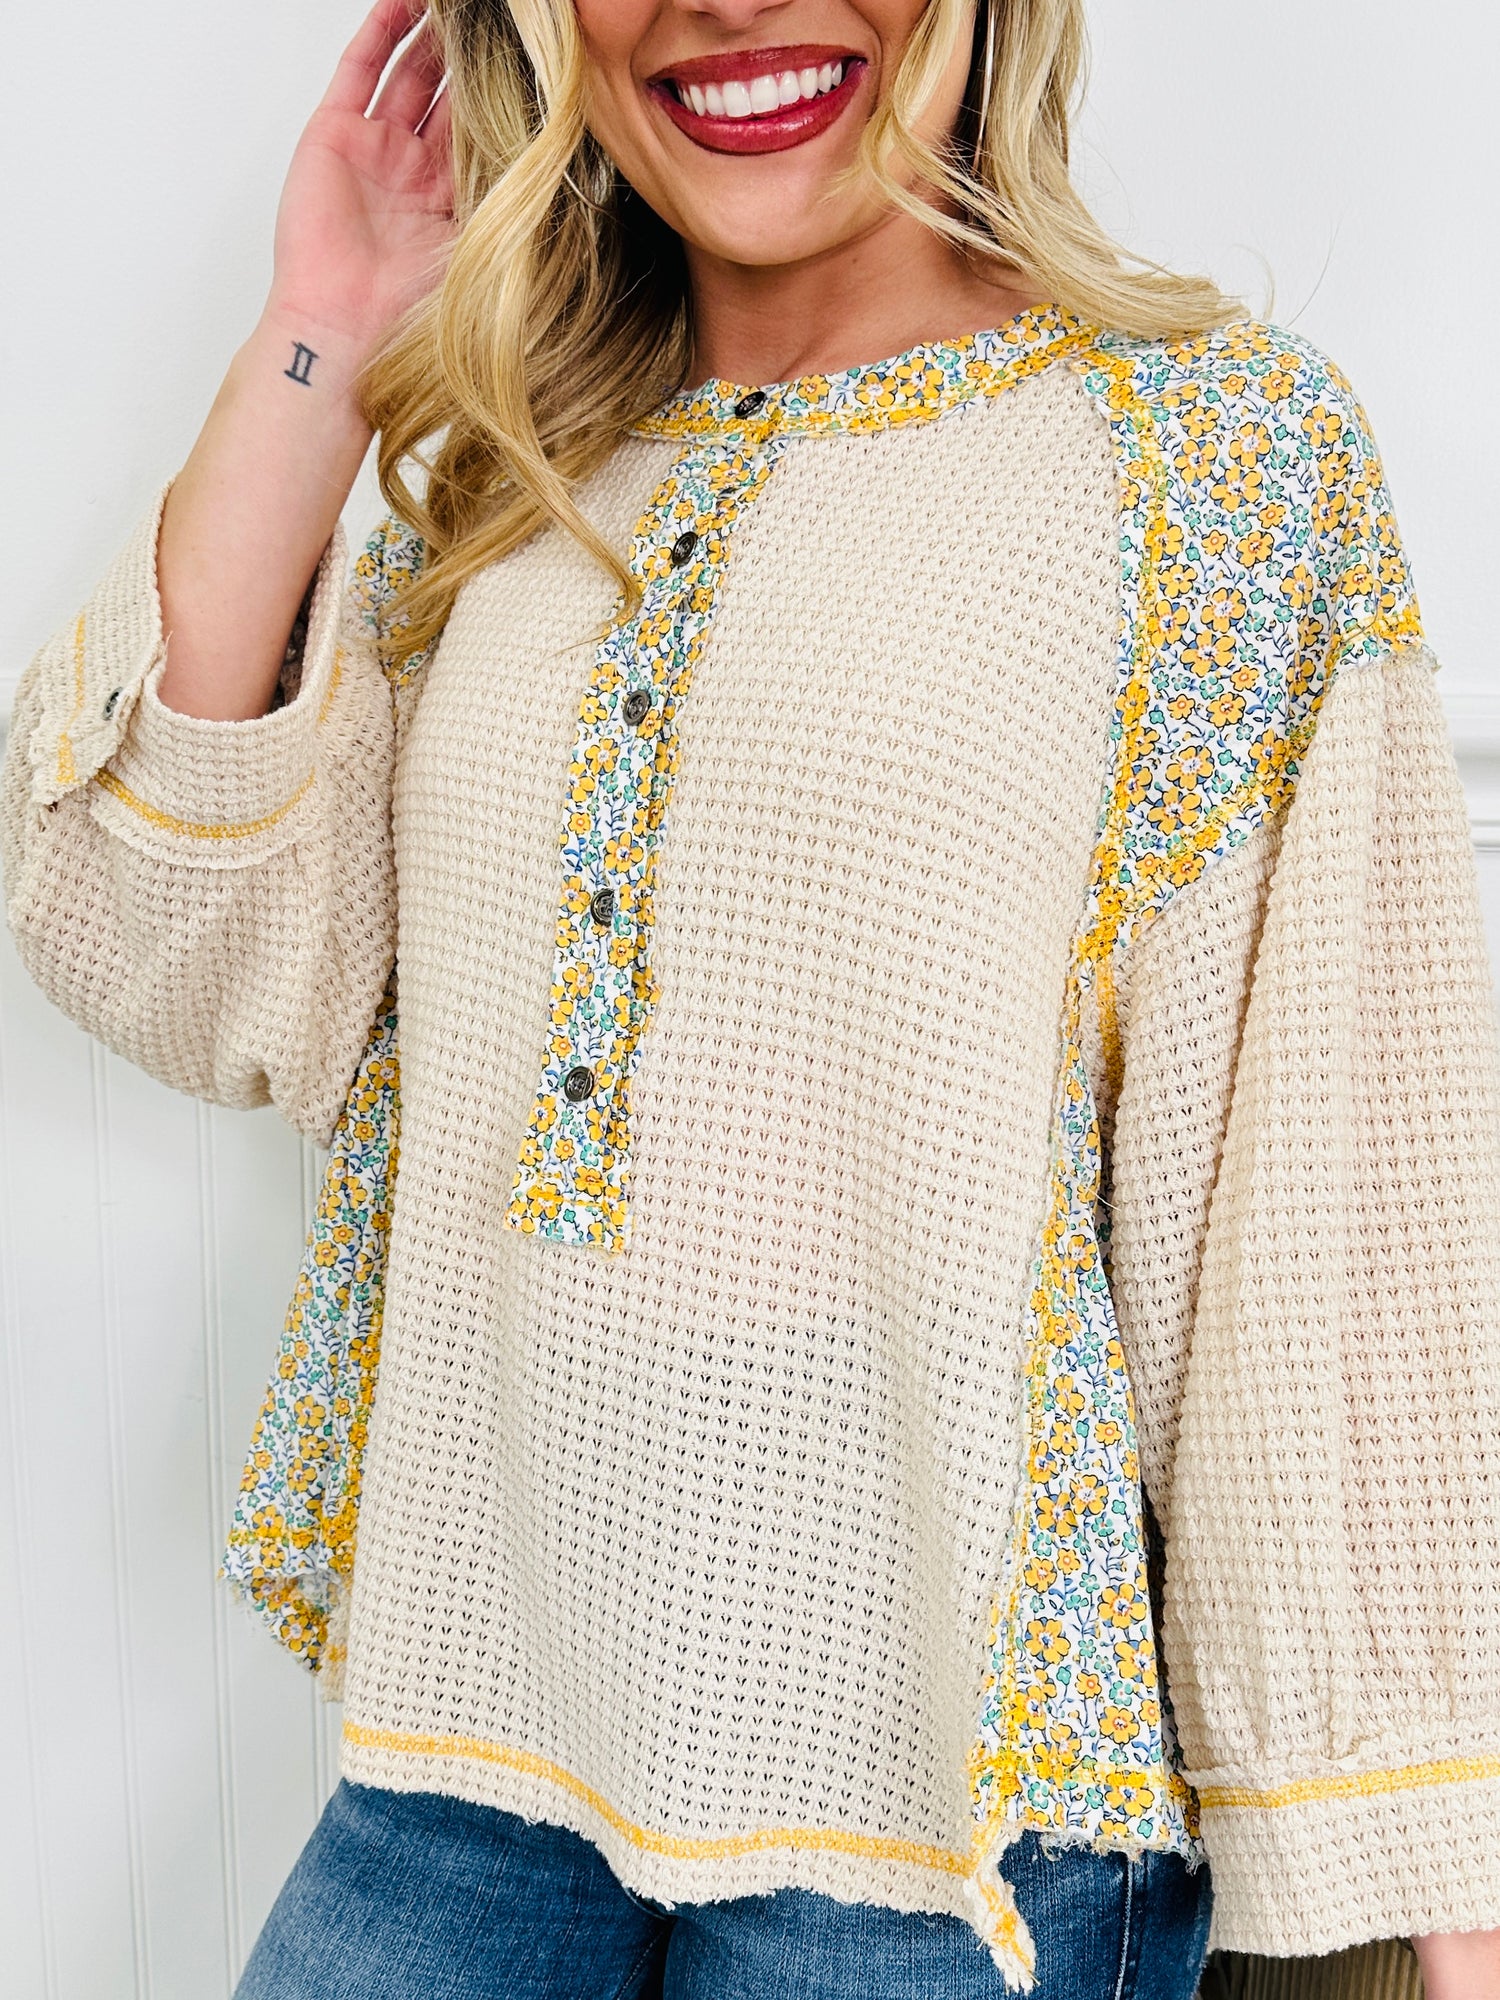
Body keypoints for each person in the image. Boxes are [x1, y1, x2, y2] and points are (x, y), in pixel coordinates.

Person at [5, 1, 1500, 1995]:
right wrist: (324, 332)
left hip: (953, 1821)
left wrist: (1440, 1893)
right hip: (477, 1719)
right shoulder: (517, 476)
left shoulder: (1212, 458)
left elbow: (1338, 1212)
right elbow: (167, 951)